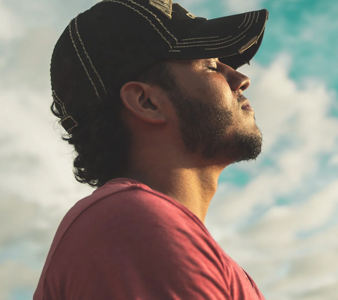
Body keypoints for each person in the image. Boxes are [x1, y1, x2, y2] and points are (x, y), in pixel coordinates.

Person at [33, 0, 269, 299]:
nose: (240, 79)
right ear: (146, 102)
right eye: (211, 66)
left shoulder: (146, 229)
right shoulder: (133, 225)